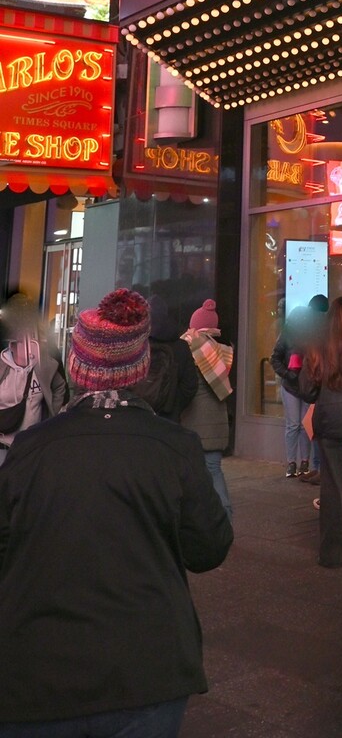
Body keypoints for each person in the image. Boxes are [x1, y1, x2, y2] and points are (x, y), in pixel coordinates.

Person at [0, 288, 232, 735]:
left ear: (76, 366)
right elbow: (209, 548)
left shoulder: (29, 449)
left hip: (37, 671)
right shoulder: (176, 448)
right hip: (149, 670)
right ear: (140, 369)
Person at [298, 295, 342, 567]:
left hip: (328, 422)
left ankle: (330, 554)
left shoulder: (319, 346)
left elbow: (307, 390)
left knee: (330, 489)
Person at [181, 298, 234, 521]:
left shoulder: (193, 347)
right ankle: (226, 516)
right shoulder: (223, 349)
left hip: (195, 419)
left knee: (195, 472)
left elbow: (187, 386)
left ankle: (202, 519)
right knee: (213, 468)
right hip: (217, 420)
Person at [0, 293, 67, 466]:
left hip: (33, 447)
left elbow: (60, 387)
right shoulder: (3, 356)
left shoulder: (46, 356)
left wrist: (51, 415)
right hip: (3, 445)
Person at [271, 299, 324, 479]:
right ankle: (291, 462)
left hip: (307, 386)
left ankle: (304, 462)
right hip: (291, 386)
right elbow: (275, 359)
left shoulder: (311, 337)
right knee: (293, 425)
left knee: (304, 426)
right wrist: (287, 374)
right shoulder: (287, 335)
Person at [133, 292, 198, 422]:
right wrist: (173, 406)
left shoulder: (135, 345)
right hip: (168, 420)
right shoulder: (181, 347)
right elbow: (190, 386)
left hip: (136, 417)